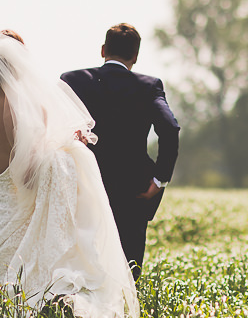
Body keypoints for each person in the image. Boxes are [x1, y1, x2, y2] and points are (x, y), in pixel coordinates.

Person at [0, 30, 137, 318]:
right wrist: (65, 150)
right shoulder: (33, 113)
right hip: (10, 220)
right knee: (11, 310)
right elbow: (30, 176)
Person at [61, 23, 179, 279]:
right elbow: (170, 129)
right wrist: (160, 180)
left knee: (81, 261)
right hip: (132, 190)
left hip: (83, 185)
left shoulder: (71, 81)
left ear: (103, 50)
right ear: (135, 56)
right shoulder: (149, 86)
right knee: (128, 265)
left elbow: (53, 129)